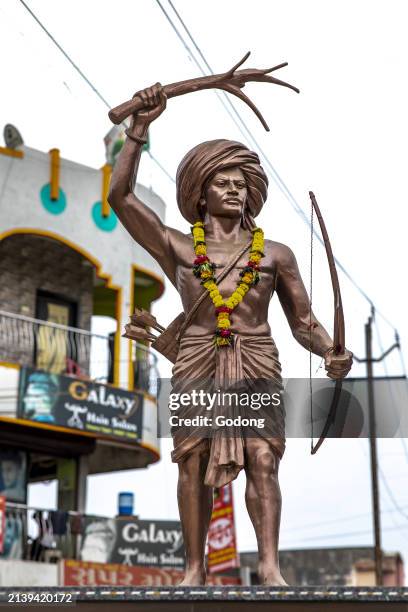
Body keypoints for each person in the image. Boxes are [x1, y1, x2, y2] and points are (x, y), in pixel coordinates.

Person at [108, 83, 353, 586]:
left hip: (258, 359)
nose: (234, 188)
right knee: (193, 459)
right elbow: (121, 197)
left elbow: (302, 322)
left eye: (241, 181)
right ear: (200, 192)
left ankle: (269, 566)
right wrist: (138, 130)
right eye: (222, 180)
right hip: (198, 357)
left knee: (264, 457)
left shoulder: (275, 254)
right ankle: (194, 569)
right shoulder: (176, 246)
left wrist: (330, 349)